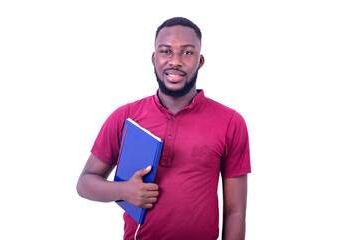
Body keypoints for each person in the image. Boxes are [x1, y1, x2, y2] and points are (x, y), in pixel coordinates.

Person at [77, 17, 251, 240]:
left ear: (200, 61)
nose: (175, 61)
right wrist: (122, 191)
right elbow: (85, 182)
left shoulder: (230, 122)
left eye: (187, 52)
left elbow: (235, 212)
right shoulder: (126, 117)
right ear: (154, 58)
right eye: (166, 51)